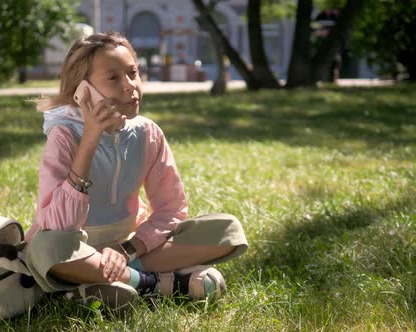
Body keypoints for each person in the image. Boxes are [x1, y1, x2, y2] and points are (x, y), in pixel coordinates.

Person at [24, 32, 248, 314]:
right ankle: (156, 284)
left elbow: (171, 209)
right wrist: (90, 139)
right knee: (45, 250)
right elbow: (58, 225)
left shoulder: (148, 133)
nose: (130, 86)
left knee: (229, 232)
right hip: (72, 250)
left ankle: (97, 284)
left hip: (130, 247)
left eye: (133, 73)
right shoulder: (64, 136)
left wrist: (126, 250)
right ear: (83, 90)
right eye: (113, 78)